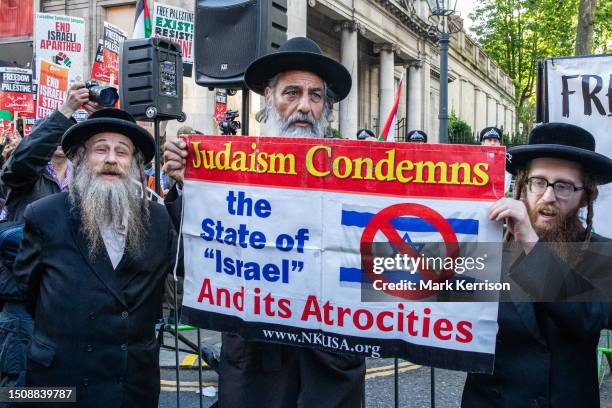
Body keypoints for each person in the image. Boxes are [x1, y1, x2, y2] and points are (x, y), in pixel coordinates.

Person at [163, 36, 365, 408]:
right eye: (292, 92)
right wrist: (187, 190)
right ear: (268, 99)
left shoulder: (361, 177)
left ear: (327, 107)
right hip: (256, 364)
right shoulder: (228, 171)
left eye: (316, 96)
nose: (304, 106)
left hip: (331, 367)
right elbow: (190, 261)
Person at [11, 108, 180, 407]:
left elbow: (185, 269)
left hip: (131, 382)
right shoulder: (45, 214)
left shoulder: (158, 218)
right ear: (82, 159)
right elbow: (30, 290)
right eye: (100, 149)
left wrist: (186, 186)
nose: (111, 159)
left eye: (122, 152)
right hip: (61, 381)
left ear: (135, 165)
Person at [462, 123, 612, 407]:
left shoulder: (601, 251)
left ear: (585, 197)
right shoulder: (489, 245)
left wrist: (531, 243)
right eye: (539, 182)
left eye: (564, 186)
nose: (548, 197)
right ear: (523, 185)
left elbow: (586, 318)